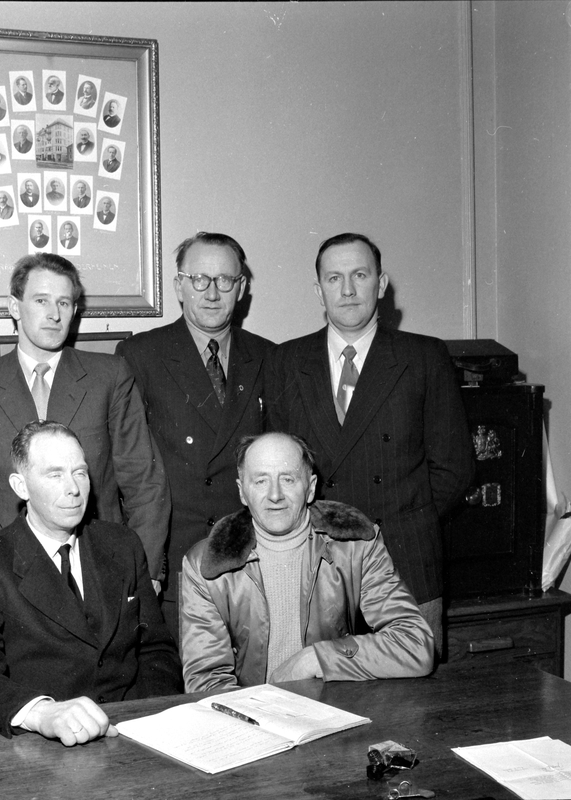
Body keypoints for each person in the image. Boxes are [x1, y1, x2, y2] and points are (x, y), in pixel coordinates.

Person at [265, 232, 474, 650]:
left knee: (413, 687)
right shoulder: (286, 361)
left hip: (405, 565)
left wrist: (402, 521)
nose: (347, 290)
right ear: (318, 290)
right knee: (316, 686)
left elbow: (455, 469)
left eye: (359, 275)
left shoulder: (423, 357)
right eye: (334, 278)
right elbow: (278, 472)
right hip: (316, 567)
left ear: (381, 284)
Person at [0, 421, 181, 743]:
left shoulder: (122, 544)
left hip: (131, 731)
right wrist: (42, 713)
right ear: (21, 487)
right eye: (54, 475)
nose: (73, 488)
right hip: (45, 743)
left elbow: (156, 650)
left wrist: (147, 721)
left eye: (80, 472)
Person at [0, 253, 171, 584]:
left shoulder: (108, 376)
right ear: (14, 307)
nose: (54, 314)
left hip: (103, 565)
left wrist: (143, 574)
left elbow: (143, 481)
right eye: (41, 300)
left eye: (64, 303)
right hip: (15, 573)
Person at [180, 432, 434, 692]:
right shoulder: (205, 564)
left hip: (332, 705)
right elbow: (206, 682)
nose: (275, 495)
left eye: (288, 479)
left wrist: (316, 659)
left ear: (311, 488)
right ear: (242, 491)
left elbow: (415, 645)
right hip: (249, 712)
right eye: (261, 481)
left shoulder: (355, 545)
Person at [116, 232, 273, 635]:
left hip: (252, 564)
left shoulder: (269, 357)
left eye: (225, 280)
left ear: (242, 288)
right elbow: (131, 474)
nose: (212, 293)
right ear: (179, 286)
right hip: (176, 568)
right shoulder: (140, 355)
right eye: (199, 279)